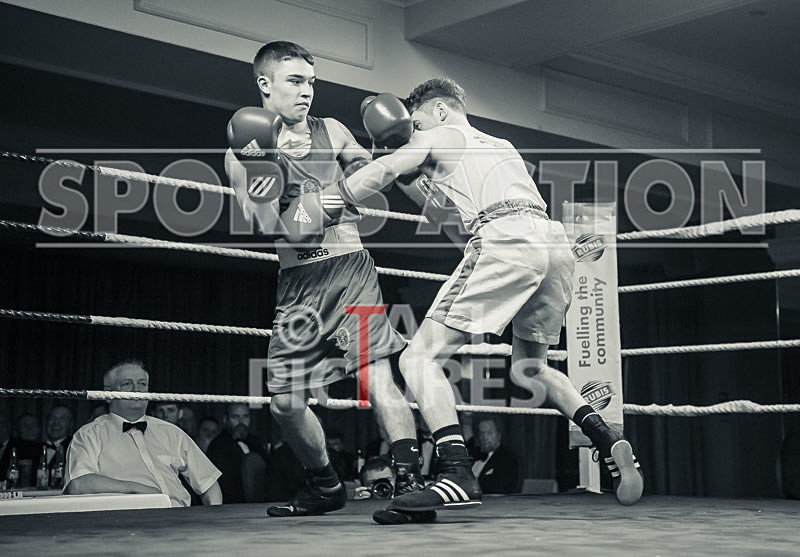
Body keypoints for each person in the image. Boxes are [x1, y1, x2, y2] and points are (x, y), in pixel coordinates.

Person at [294, 77, 644, 519]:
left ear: (438, 112)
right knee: (529, 367)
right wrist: (412, 169)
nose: (413, 130)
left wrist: (316, 205)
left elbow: (382, 172)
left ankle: (456, 471)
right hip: (553, 245)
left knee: (416, 359)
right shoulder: (499, 145)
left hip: (504, 238)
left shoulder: (437, 134)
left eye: (415, 122)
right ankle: (605, 436)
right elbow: (446, 216)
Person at [224, 41, 426, 522]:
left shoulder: (332, 130)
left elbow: (371, 179)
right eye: (296, 80)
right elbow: (271, 226)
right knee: (284, 403)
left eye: (312, 81)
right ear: (264, 84)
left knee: (375, 373)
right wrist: (277, 181)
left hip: (349, 266)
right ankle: (325, 484)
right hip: (298, 281)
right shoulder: (243, 150)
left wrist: (389, 152)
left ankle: (409, 482)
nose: (307, 91)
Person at [64, 361, 222, 507]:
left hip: (179, 521)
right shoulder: (89, 434)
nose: (136, 389)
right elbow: (77, 484)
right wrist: (135, 488)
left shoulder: (172, 432)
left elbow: (209, 482)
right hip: (126, 523)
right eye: (127, 384)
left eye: (142, 384)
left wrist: (213, 518)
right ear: (107, 394)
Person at [206, 403, 269, 503]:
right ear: (225, 419)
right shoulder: (217, 446)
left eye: (245, 416)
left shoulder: (257, 443)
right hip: (231, 506)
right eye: (235, 417)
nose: (241, 422)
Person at [471, 417, 519, 494]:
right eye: (481, 433)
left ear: (499, 435)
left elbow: (502, 490)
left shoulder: (507, 458)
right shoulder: (473, 454)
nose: (484, 437)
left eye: (489, 432)